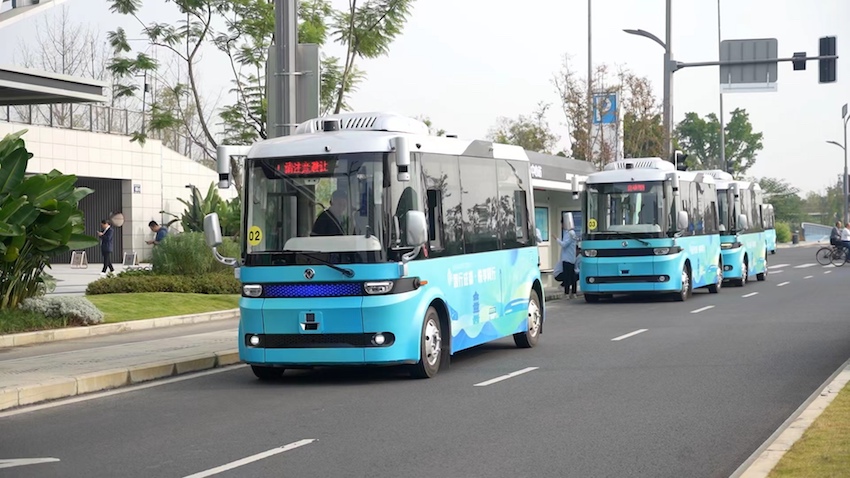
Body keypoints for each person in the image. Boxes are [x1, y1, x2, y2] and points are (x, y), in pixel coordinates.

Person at [553, 218, 578, 300]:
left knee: (568, 276)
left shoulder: (569, 233)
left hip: (567, 258)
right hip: (571, 257)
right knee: (572, 276)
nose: (562, 226)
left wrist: (556, 239)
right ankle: (573, 293)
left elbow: (564, 244)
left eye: (562, 224)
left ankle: (567, 293)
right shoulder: (571, 233)